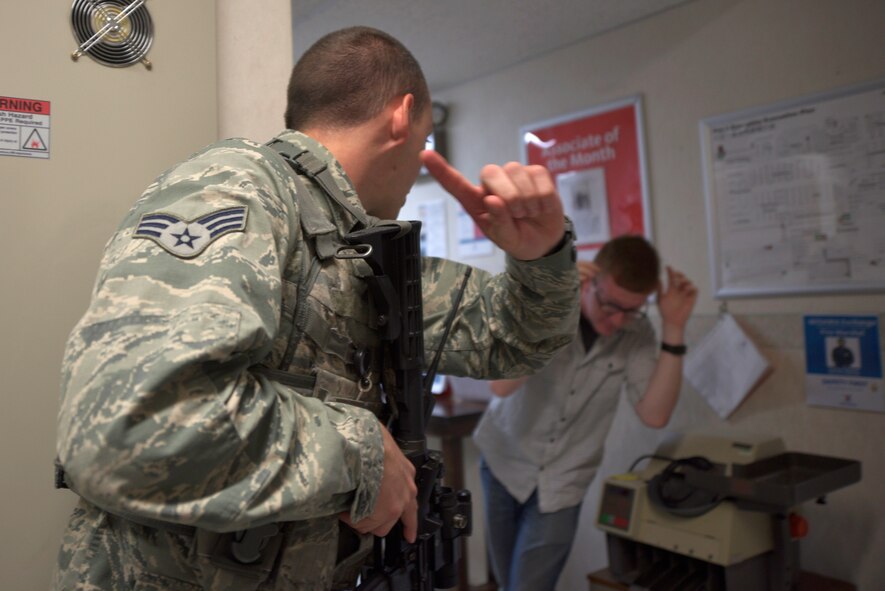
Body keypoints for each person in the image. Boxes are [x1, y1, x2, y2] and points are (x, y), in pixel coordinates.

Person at [53, 26, 579, 591]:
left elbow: (513, 338)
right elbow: (130, 427)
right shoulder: (240, 187)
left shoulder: (355, 246)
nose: (418, 167)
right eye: (425, 142)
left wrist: (543, 257)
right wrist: (361, 455)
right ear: (403, 117)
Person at [473, 235, 698, 591]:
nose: (617, 321)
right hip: (505, 460)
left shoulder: (637, 332)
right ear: (591, 281)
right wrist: (550, 306)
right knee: (506, 583)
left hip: (564, 479)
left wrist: (674, 328)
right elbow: (501, 385)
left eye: (631, 310)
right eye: (610, 305)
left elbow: (654, 415)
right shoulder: (548, 307)